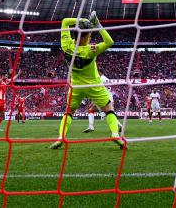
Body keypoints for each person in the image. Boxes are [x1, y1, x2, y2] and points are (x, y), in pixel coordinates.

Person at [49, 12, 124, 149]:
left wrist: (83, 20)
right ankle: (114, 133)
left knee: (69, 112)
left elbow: (65, 20)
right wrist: (97, 24)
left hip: (76, 86)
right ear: (86, 37)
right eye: (89, 35)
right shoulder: (91, 50)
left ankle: (60, 138)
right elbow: (110, 42)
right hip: (94, 85)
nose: (90, 38)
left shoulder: (66, 45)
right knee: (109, 109)